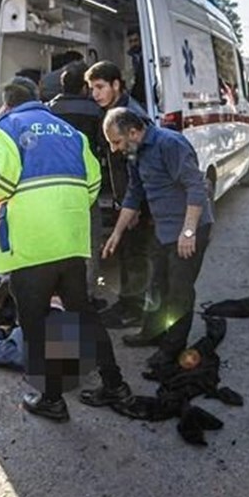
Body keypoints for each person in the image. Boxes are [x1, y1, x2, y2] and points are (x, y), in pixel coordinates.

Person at [0, 77, 129, 422]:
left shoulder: (2, 129)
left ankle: (51, 399)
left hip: (33, 244)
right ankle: (115, 384)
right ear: (38, 99)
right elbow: (93, 184)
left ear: (7, 103)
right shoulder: (69, 131)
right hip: (72, 241)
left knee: (33, 325)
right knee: (83, 315)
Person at [102, 107, 213, 371]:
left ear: (133, 132)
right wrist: (117, 233)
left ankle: (172, 347)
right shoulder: (135, 153)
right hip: (164, 230)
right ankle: (151, 332)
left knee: (179, 292)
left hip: (189, 228)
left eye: (116, 142)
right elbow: (134, 193)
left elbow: (196, 187)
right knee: (156, 285)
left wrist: (188, 232)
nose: (115, 149)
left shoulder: (169, 144)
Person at [85, 61, 152, 331]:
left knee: (136, 254)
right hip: (124, 196)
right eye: (92, 88)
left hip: (136, 199)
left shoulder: (130, 116)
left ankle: (134, 310)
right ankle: (128, 303)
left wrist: (133, 206)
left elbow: (140, 168)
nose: (95, 94)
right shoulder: (113, 110)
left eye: (100, 87)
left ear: (116, 85)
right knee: (127, 252)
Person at [49, 62, 106, 299]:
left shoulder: (48, 110)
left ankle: (58, 292)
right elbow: (105, 147)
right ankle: (88, 294)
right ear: (84, 87)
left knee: (58, 238)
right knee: (90, 240)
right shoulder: (95, 111)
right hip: (85, 183)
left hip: (54, 184)